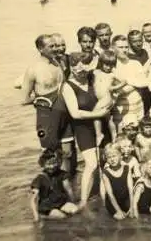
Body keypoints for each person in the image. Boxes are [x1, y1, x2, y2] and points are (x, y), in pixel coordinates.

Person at [61, 52, 111, 209]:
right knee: (91, 163)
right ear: (71, 68)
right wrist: (99, 113)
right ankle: (83, 200)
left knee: (104, 161)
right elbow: (75, 113)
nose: (80, 72)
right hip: (82, 127)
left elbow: (107, 91)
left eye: (83, 69)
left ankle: (104, 195)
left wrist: (104, 105)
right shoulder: (67, 86)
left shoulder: (92, 77)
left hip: (101, 123)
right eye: (76, 68)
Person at [21, 34, 70, 153]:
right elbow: (24, 99)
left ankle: (69, 172)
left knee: (68, 152)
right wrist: (42, 99)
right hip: (46, 115)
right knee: (50, 154)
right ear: (40, 49)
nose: (55, 49)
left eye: (55, 45)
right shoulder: (33, 69)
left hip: (64, 112)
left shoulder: (58, 63)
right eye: (51, 46)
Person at [30, 149, 78, 222]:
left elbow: (68, 189)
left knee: (75, 210)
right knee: (62, 217)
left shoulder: (62, 174)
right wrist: (36, 216)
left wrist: (72, 201)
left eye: (53, 163)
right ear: (43, 164)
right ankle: (43, 216)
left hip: (61, 202)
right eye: (48, 164)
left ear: (57, 162)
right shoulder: (39, 179)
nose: (52, 166)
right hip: (47, 207)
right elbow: (33, 199)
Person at [111, 35, 147, 131]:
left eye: (126, 47)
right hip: (121, 109)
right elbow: (113, 90)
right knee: (123, 140)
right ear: (113, 48)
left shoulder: (136, 63)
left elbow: (143, 83)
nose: (124, 50)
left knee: (139, 137)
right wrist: (134, 82)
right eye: (121, 47)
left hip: (138, 107)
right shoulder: (112, 67)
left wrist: (126, 83)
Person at [93, 50, 124, 143]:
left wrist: (113, 88)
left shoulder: (112, 75)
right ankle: (114, 136)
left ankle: (99, 134)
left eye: (111, 65)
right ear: (101, 63)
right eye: (106, 64)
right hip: (99, 98)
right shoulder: (96, 72)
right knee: (109, 118)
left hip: (107, 98)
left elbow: (124, 81)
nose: (108, 67)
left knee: (95, 113)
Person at [101, 144, 133, 220]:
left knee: (134, 214)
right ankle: (117, 210)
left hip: (125, 200)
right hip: (112, 202)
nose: (112, 159)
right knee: (120, 217)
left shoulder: (127, 168)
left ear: (120, 156)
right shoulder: (106, 173)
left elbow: (130, 189)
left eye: (114, 156)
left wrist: (132, 207)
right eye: (109, 157)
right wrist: (118, 211)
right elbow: (110, 194)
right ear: (106, 159)